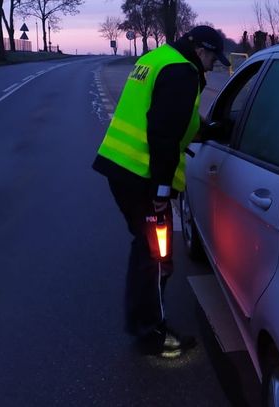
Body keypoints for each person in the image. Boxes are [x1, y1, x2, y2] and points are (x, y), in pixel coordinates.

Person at [92, 26, 230, 358]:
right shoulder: (182, 71)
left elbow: (172, 116)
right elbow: (164, 136)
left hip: (120, 166)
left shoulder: (159, 58)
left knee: (145, 248)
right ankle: (152, 333)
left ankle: (141, 322)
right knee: (157, 254)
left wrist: (207, 129)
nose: (212, 67)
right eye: (212, 58)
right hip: (142, 176)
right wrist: (161, 189)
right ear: (199, 50)